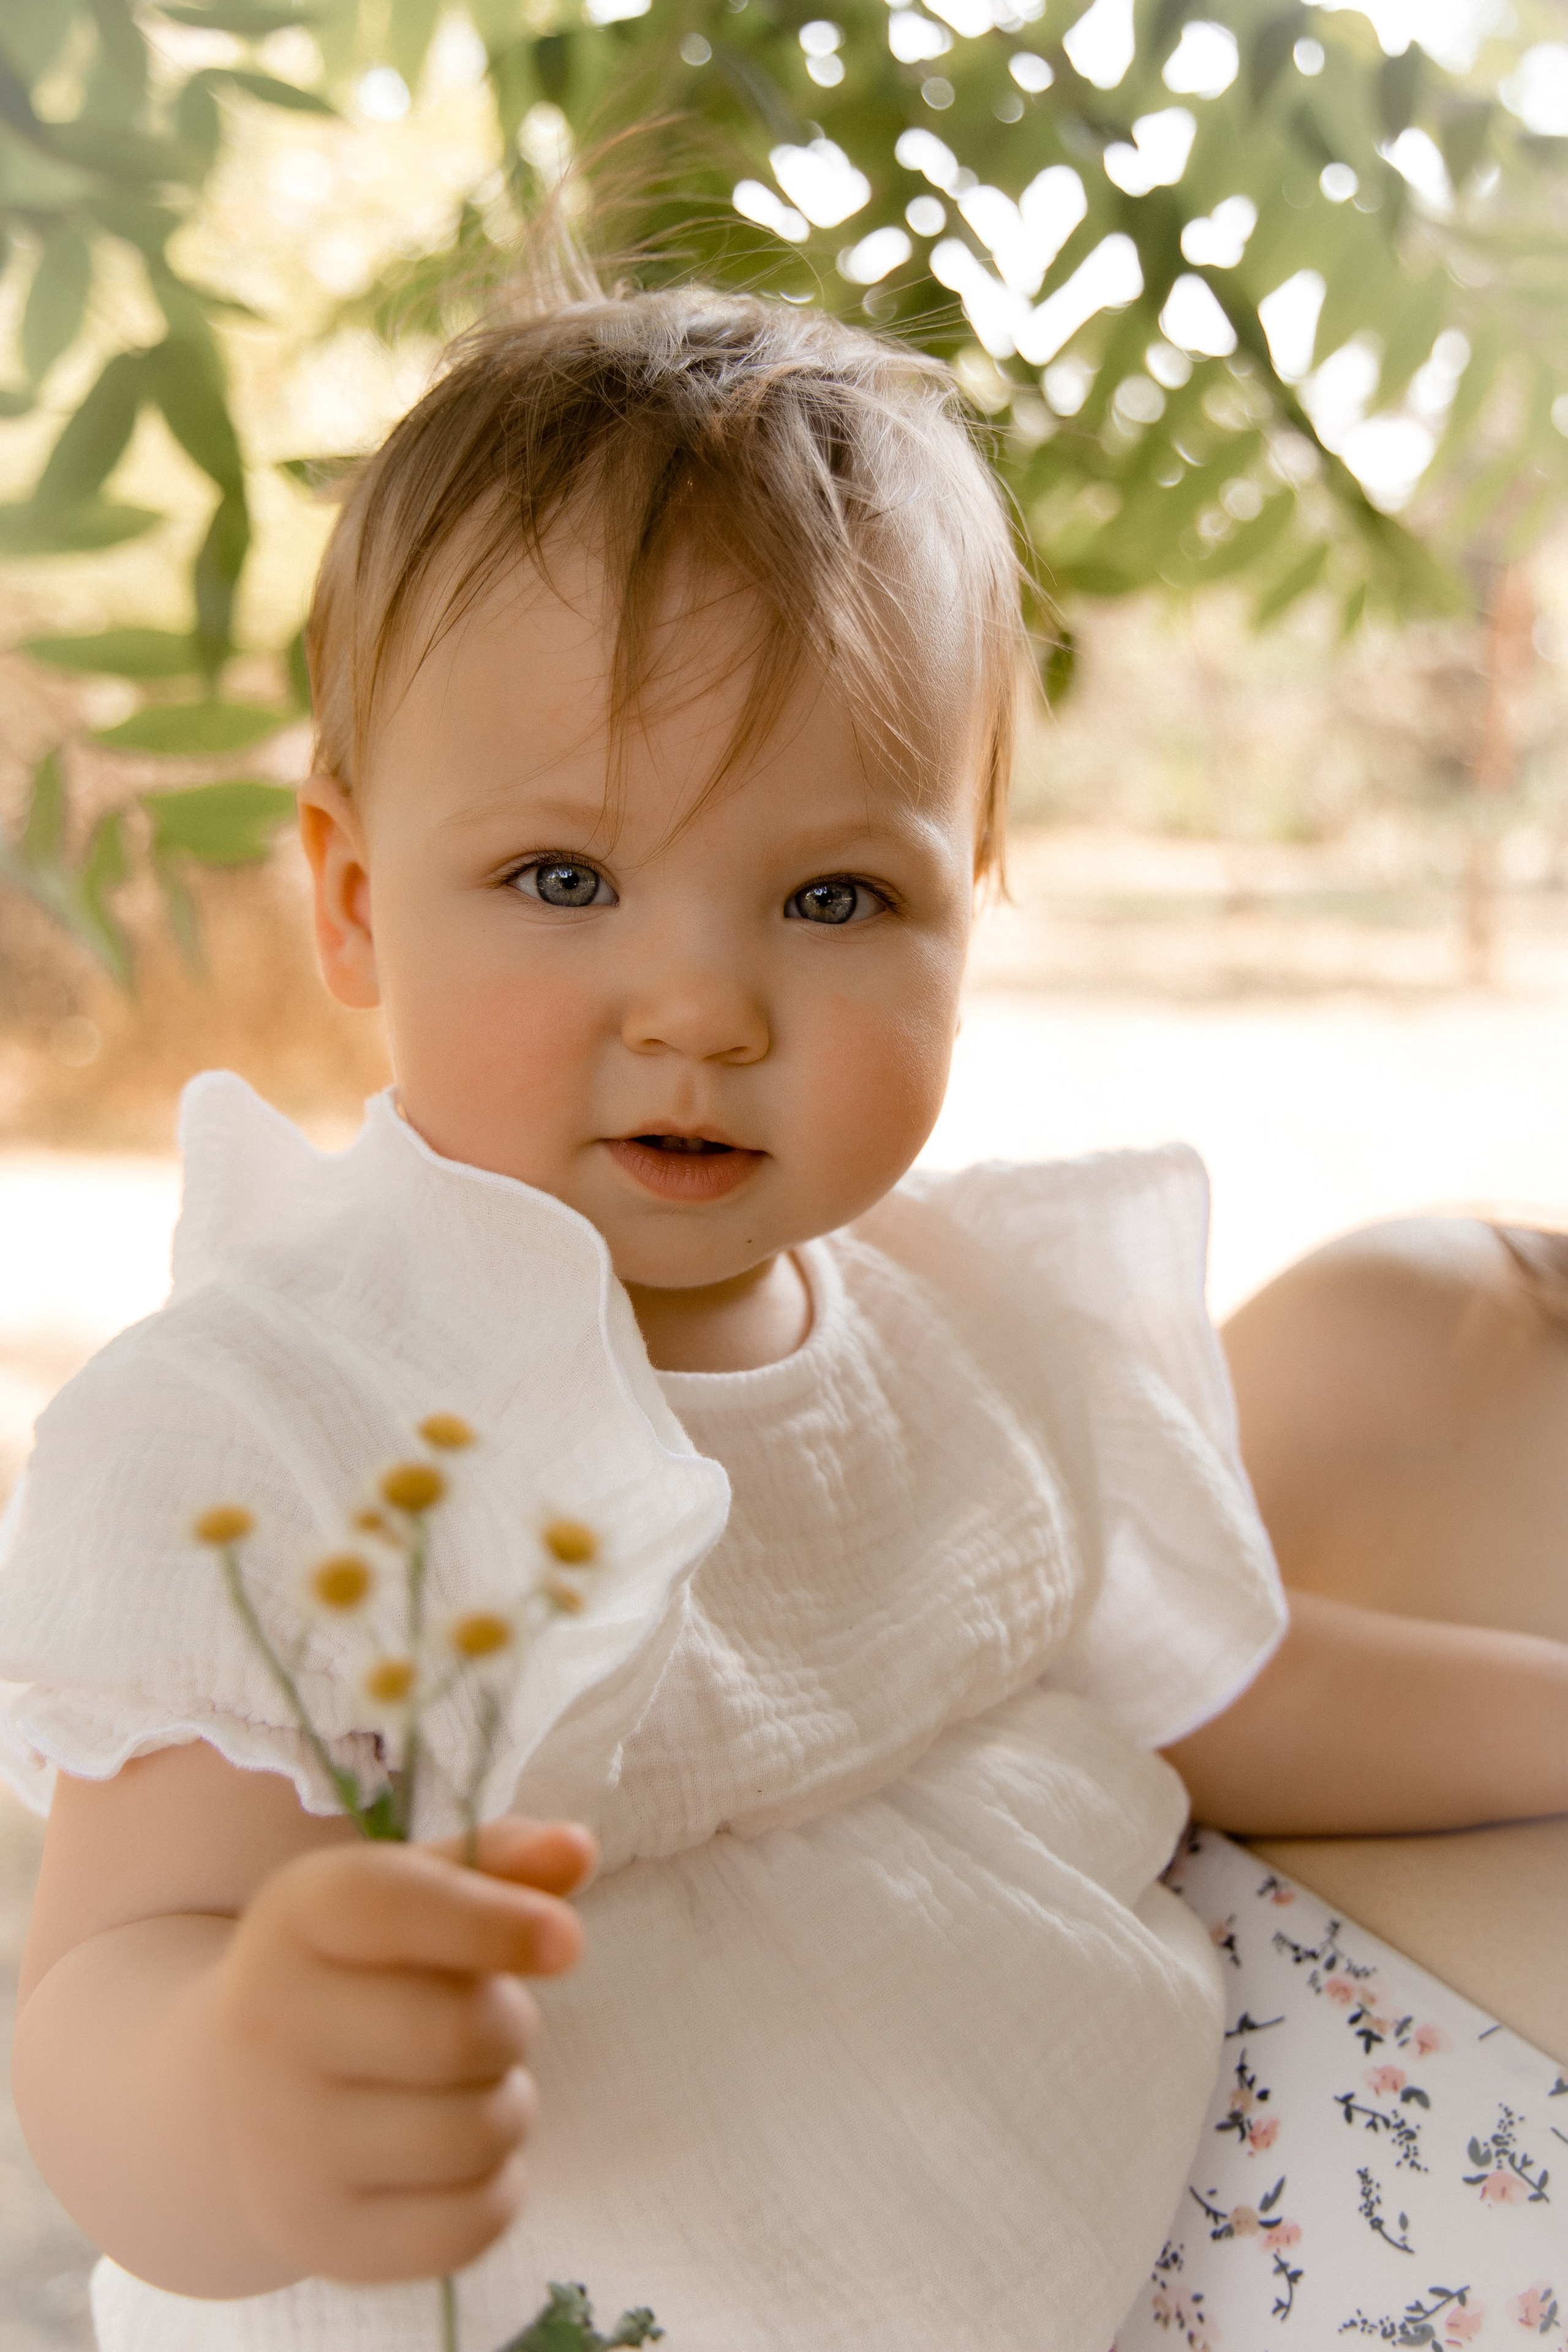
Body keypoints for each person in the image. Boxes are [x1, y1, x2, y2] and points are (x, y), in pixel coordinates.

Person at [2, 279, 1566, 2352]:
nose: (705, 1008)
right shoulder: (287, 1424)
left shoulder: (962, 1328)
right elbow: (117, 1976)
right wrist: (242, 2084)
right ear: (358, 903)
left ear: (970, 901)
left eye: (837, 899)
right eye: (565, 878)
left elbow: (1219, 1688)